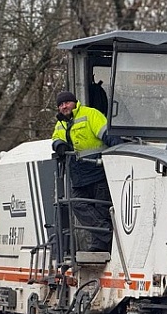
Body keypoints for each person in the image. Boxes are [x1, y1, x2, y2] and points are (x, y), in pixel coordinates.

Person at [52, 91, 123, 252]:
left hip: (97, 172)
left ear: (74, 103)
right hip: (78, 176)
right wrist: (59, 145)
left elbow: (107, 135)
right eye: (60, 105)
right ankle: (107, 234)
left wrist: (120, 151)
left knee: (101, 209)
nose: (64, 107)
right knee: (77, 204)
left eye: (66, 103)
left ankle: (100, 245)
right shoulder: (61, 123)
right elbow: (56, 138)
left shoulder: (90, 114)